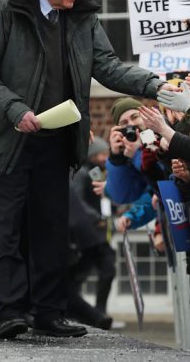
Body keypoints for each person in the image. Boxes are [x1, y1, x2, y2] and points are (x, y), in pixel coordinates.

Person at [0, 0, 178, 340]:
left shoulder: (80, 17)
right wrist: (16, 110)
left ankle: (49, 312)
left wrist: (154, 84)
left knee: (51, 226)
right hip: (7, 138)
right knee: (6, 225)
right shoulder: (3, 10)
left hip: (57, 137)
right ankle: (8, 311)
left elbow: (108, 66)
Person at [67, 137, 115, 329]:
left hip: (99, 234)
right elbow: (77, 201)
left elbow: (103, 197)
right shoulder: (81, 174)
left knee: (106, 270)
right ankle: (89, 313)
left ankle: (98, 311)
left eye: (106, 154)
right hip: (87, 234)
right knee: (79, 275)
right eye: (101, 154)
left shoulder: (97, 173)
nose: (104, 157)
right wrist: (97, 217)